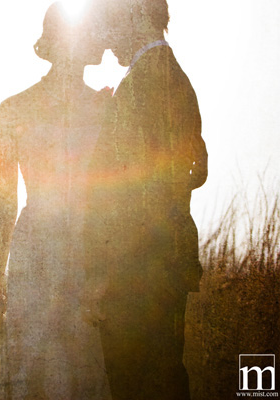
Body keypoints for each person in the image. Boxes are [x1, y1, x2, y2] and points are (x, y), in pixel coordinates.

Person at [0, 2, 112, 398]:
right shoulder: (100, 108)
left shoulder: (17, 108)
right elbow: (3, 201)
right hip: (64, 251)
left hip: (50, 249)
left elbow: (3, 203)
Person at [85, 0, 208, 399]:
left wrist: (103, 275)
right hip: (165, 262)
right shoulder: (173, 77)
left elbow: (129, 192)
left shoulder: (146, 82)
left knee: (138, 378)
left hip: (138, 271)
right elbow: (191, 168)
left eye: (110, 24)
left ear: (136, 17)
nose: (106, 38)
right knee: (165, 373)